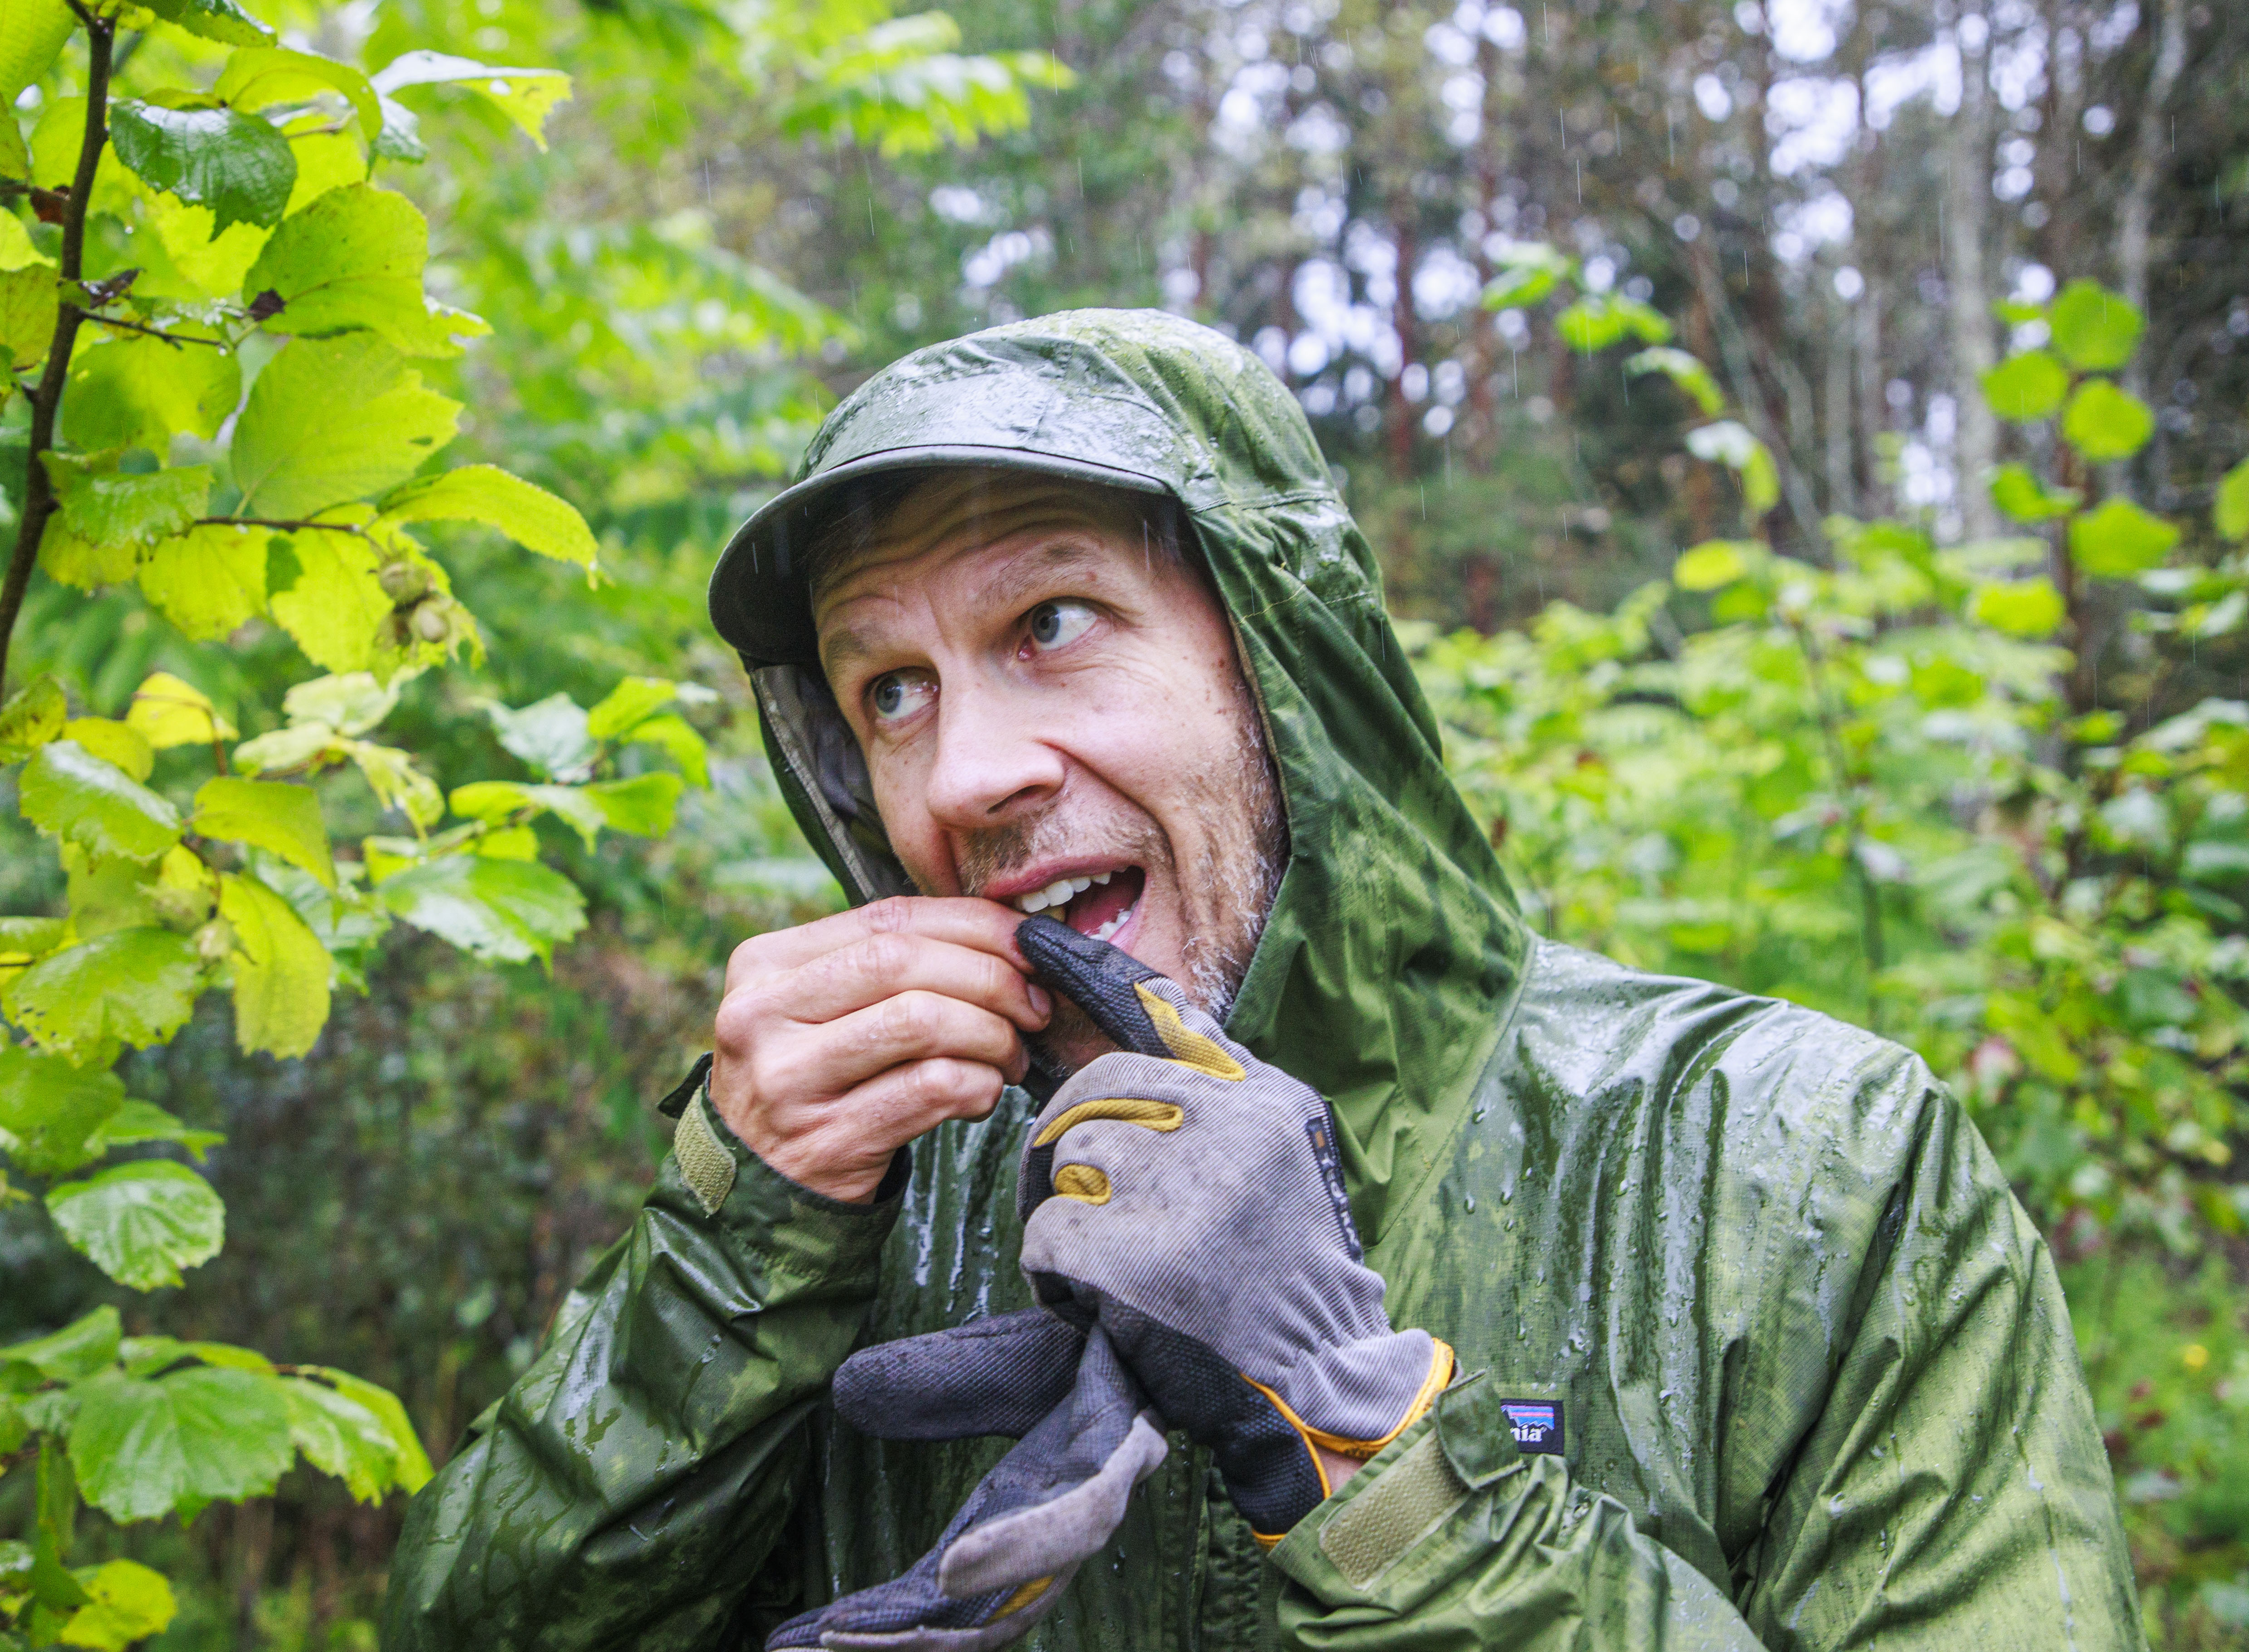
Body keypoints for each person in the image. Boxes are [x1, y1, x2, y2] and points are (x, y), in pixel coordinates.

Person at [380, 309, 2142, 1650]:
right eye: (889, 689)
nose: (963, 773)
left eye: (1049, 620)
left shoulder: (1797, 1162)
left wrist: (1388, 1483)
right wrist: (733, 1237)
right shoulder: (860, 1196)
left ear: (1281, 658)